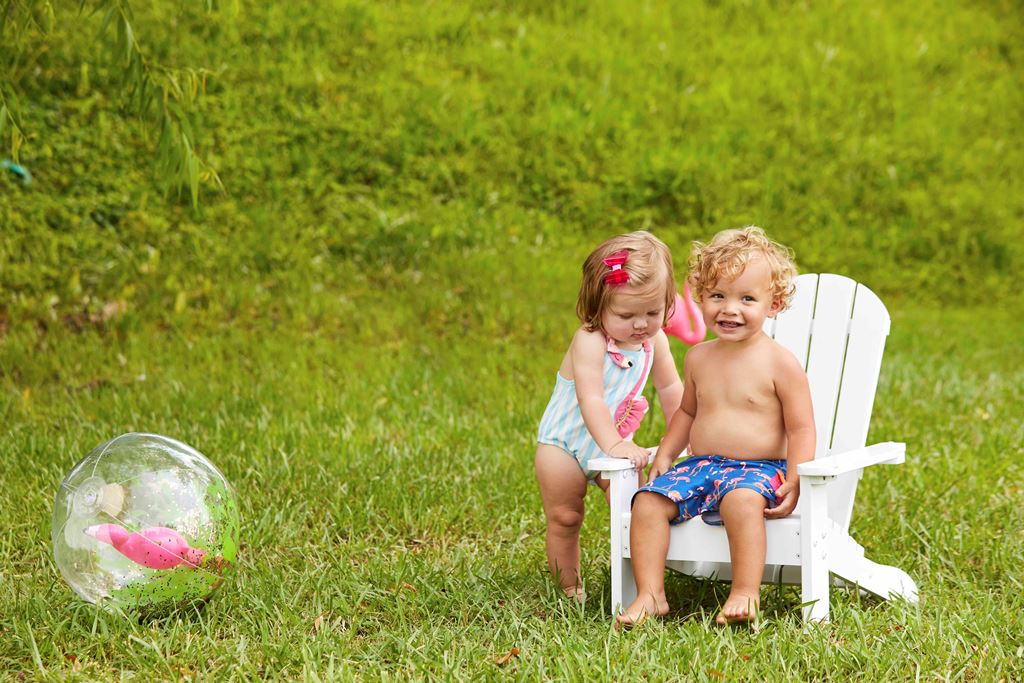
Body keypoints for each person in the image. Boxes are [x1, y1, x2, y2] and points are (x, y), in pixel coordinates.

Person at [616, 226, 815, 627]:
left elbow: (801, 428)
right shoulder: (698, 358)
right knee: (648, 502)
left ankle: (745, 592)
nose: (730, 309)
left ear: (773, 304)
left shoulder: (781, 363)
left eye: (746, 299)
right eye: (718, 296)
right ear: (700, 297)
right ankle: (651, 595)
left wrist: (795, 478)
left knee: (741, 503)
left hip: (758, 471)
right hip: (701, 464)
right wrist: (668, 451)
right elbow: (687, 412)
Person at [535, 231, 685, 601]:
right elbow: (591, 398)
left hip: (611, 448)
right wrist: (615, 444)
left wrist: (683, 437)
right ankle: (569, 587)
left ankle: (642, 586)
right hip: (565, 445)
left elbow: (671, 391)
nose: (641, 324)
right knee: (565, 517)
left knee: (633, 508)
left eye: (652, 312)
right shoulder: (589, 340)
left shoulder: (656, 342)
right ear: (597, 306)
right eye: (626, 314)